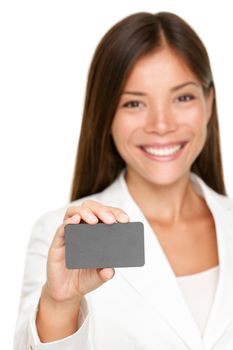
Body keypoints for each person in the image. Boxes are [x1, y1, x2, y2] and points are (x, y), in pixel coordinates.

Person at [14, 11, 233, 350]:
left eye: (183, 97)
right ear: (106, 115)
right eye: (134, 103)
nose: (161, 124)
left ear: (208, 102)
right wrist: (60, 305)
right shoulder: (62, 236)